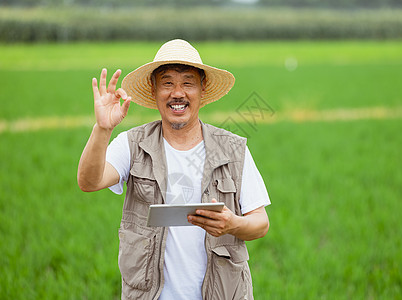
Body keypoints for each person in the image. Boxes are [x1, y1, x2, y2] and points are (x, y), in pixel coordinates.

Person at [77, 39, 270, 300]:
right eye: (167, 83)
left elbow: (260, 223)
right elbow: (89, 181)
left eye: (187, 82)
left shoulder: (233, 150)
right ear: (153, 89)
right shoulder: (132, 145)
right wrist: (102, 128)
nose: (177, 93)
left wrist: (232, 224)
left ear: (202, 89)